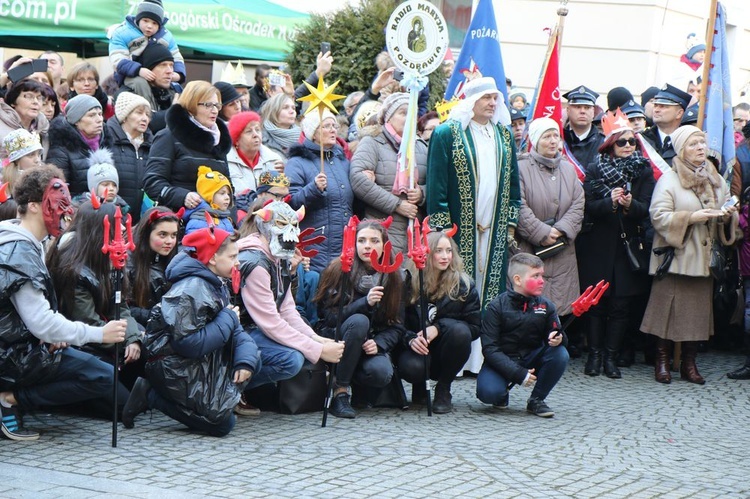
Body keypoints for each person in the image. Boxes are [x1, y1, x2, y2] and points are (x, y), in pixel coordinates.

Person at [0, 164, 127, 441]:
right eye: (58, 203)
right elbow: (41, 321)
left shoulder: (28, 241)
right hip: (9, 354)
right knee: (101, 377)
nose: (66, 210)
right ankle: (9, 399)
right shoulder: (18, 248)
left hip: (19, 343)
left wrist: (49, 336)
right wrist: (98, 334)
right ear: (34, 206)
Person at [123, 226, 259, 436]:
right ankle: (150, 394)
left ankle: (214, 399)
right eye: (232, 256)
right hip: (173, 365)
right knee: (223, 425)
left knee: (253, 360)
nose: (237, 262)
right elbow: (188, 343)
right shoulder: (191, 289)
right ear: (212, 259)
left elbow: (235, 331)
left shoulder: (216, 282)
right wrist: (228, 318)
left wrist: (245, 361)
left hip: (199, 358)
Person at [426, 76, 520, 374]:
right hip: (459, 228)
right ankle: (454, 357)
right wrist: (440, 231)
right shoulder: (447, 133)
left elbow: (513, 182)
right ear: (471, 101)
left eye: (496, 99)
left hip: (493, 227)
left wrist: (511, 221)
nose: (492, 104)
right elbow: (437, 183)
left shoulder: (504, 136)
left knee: (489, 289)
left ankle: (483, 358)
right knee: (458, 287)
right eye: (486, 99)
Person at [641, 125, 738, 384]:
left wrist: (729, 213)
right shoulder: (669, 179)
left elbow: (726, 205)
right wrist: (691, 217)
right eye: (694, 145)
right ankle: (661, 361)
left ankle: (689, 363)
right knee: (665, 313)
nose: (700, 149)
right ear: (682, 149)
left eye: (702, 144)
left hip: (705, 259)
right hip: (677, 255)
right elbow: (658, 216)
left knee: (697, 316)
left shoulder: (715, 178)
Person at [235, 200, 343, 414]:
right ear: (266, 227)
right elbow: (270, 322)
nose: (291, 232)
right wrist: (318, 350)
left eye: (294, 225)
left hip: (254, 329)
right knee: (291, 359)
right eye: (283, 224)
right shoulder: (256, 262)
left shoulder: (277, 256)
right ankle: (230, 387)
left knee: (296, 353)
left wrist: (315, 338)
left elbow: (287, 310)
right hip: (240, 330)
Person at [576, 110, 655, 378]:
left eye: (632, 142)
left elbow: (646, 208)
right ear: (611, 144)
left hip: (626, 247)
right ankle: (594, 356)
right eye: (622, 142)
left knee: (621, 306)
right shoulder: (595, 168)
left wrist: (630, 204)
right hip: (597, 245)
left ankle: (611, 357)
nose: (628, 147)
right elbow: (586, 207)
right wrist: (608, 202)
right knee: (596, 304)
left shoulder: (643, 169)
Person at [315, 219, 407, 418]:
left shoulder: (393, 277)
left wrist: (380, 343)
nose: (367, 246)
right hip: (338, 338)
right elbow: (329, 317)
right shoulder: (339, 270)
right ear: (353, 244)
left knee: (381, 373)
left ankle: (359, 387)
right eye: (362, 241)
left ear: (384, 245)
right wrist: (364, 303)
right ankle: (340, 391)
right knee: (359, 321)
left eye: (374, 241)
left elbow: (397, 325)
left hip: (369, 342)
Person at [46, 201, 142, 388]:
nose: (123, 228)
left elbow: (120, 306)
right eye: (116, 223)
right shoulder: (74, 270)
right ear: (99, 229)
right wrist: (124, 343)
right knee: (119, 396)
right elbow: (87, 323)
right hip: (81, 341)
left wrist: (133, 339)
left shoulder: (108, 259)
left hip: (106, 332)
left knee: (145, 347)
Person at [476, 253, 569, 417]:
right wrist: (518, 374)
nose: (542, 280)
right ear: (518, 280)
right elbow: (489, 348)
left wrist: (559, 338)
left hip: (533, 356)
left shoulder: (547, 306)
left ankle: (537, 400)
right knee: (489, 393)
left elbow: (557, 333)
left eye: (542, 275)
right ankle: (501, 395)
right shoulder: (496, 306)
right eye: (535, 276)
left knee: (560, 354)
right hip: (503, 359)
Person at [398, 231, 481, 413]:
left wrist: (438, 327)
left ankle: (444, 388)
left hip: (446, 348)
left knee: (461, 333)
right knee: (412, 367)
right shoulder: (407, 281)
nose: (445, 257)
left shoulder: (464, 285)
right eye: (439, 251)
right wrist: (410, 339)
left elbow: (474, 328)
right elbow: (395, 323)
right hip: (415, 349)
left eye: (449, 251)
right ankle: (419, 385)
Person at [514, 118, 584, 318]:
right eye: (547, 136)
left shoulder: (568, 169)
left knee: (559, 311)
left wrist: (561, 230)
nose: (553, 141)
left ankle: (554, 346)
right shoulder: (521, 168)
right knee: (528, 310)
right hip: (529, 248)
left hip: (562, 249)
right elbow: (518, 204)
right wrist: (541, 232)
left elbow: (578, 203)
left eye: (556, 136)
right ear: (535, 140)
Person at [350, 92, 427, 254]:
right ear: (388, 117)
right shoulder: (372, 142)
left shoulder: (421, 147)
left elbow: (435, 184)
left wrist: (422, 194)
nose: (409, 118)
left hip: (415, 230)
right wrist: (397, 205)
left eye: (413, 114)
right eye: (403, 113)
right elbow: (358, 180)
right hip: (382, 229)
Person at [143, 80, 232, 211]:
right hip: (178, 219)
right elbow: (152, 182)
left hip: (217, 220)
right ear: (191, 107)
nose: (214, 111)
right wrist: (183, 197)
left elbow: (228, 185)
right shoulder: (168, 137)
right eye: (208, 105)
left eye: (217, 105)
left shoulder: (218, 140)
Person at [286, 109, 354, 274]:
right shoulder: (297, 162)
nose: (333, 130)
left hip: (345, 246)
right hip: (315, 248)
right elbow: (290, 205)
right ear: (313, 134)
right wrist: (313, 189)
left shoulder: (343, 161)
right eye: (326, 126)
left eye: (334, 125)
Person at [107, 0, 186, 88]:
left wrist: (179, 74)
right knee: (140, 83)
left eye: (154, 23)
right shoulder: (122, 33)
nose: (149, 26)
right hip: (130, 75)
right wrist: (138, 70)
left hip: (158, 77)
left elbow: (176, 55)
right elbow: (117, 59)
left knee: (174, 88)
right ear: (138, 19)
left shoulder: (167, 37)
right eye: (145, 20)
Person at [104, 91, 154, 223]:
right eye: (139, 112)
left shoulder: (152, 145)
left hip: (144, 220)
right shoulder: (107, 140)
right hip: (114, 218)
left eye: (147, 115)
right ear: (124, 116)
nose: (145, 118)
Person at [127, 206, 180, 330]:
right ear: (147, 234)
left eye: (174, 235)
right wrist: (155, 315)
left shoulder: (177, 260)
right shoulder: (128, 263)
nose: (169, 241)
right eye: (163, 235)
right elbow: (122, 309)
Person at [46, 94, 105, 197]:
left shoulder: (107, 143)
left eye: (100, 114)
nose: (99, 119)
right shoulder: (61, 149)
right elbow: (58, 191)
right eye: (92, 115)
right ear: (76, 120)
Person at [114, 43, 180, 133]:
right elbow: (149, 124)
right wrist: (175, 111)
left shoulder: (175, 90)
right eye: (163, 65)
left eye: (171, 65)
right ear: (148, 69)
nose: (169, 71)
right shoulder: (127, 93)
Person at [226, 111, 283, 195]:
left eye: (257, 130)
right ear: (237, 140)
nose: (255, 135)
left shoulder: (274, 160)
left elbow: (281, 194)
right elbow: (237, 195)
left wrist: (283, 177)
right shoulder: (227, 163)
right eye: (249, 131)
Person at [640, 84, 692, 167]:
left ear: (679, 113)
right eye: (655, 105)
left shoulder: (689, 142)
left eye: (663, 106)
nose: (656, 110)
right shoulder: (642, 139)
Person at [0, 79, 50, 159]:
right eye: (28, 96)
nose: (35, 102)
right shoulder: (2, 126)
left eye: (39, 98)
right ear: (13, 102)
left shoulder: (43, 128)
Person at [562, 85, 604, 173]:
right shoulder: (559, 139)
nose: (582, 111)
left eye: (587, 107)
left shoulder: (604, 142)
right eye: (577, 107)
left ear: (593, 112)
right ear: (568, 110)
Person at [183, 166, 234, 235]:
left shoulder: (226, 219)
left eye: (228, 194)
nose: (227, 197)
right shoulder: (198, 221)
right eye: (222, 193)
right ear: (209, 196)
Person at [1, 129, 43, 194]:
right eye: (31, 155)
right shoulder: (3, 188)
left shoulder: (46, 182)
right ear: (17, 160)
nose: (37, 160)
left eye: (38, 154)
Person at [260, 93, 301, 158]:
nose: (292, 111)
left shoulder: (303, 137)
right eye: (285, 108)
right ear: (273, 111)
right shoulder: (260, 138)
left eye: (293, 108)